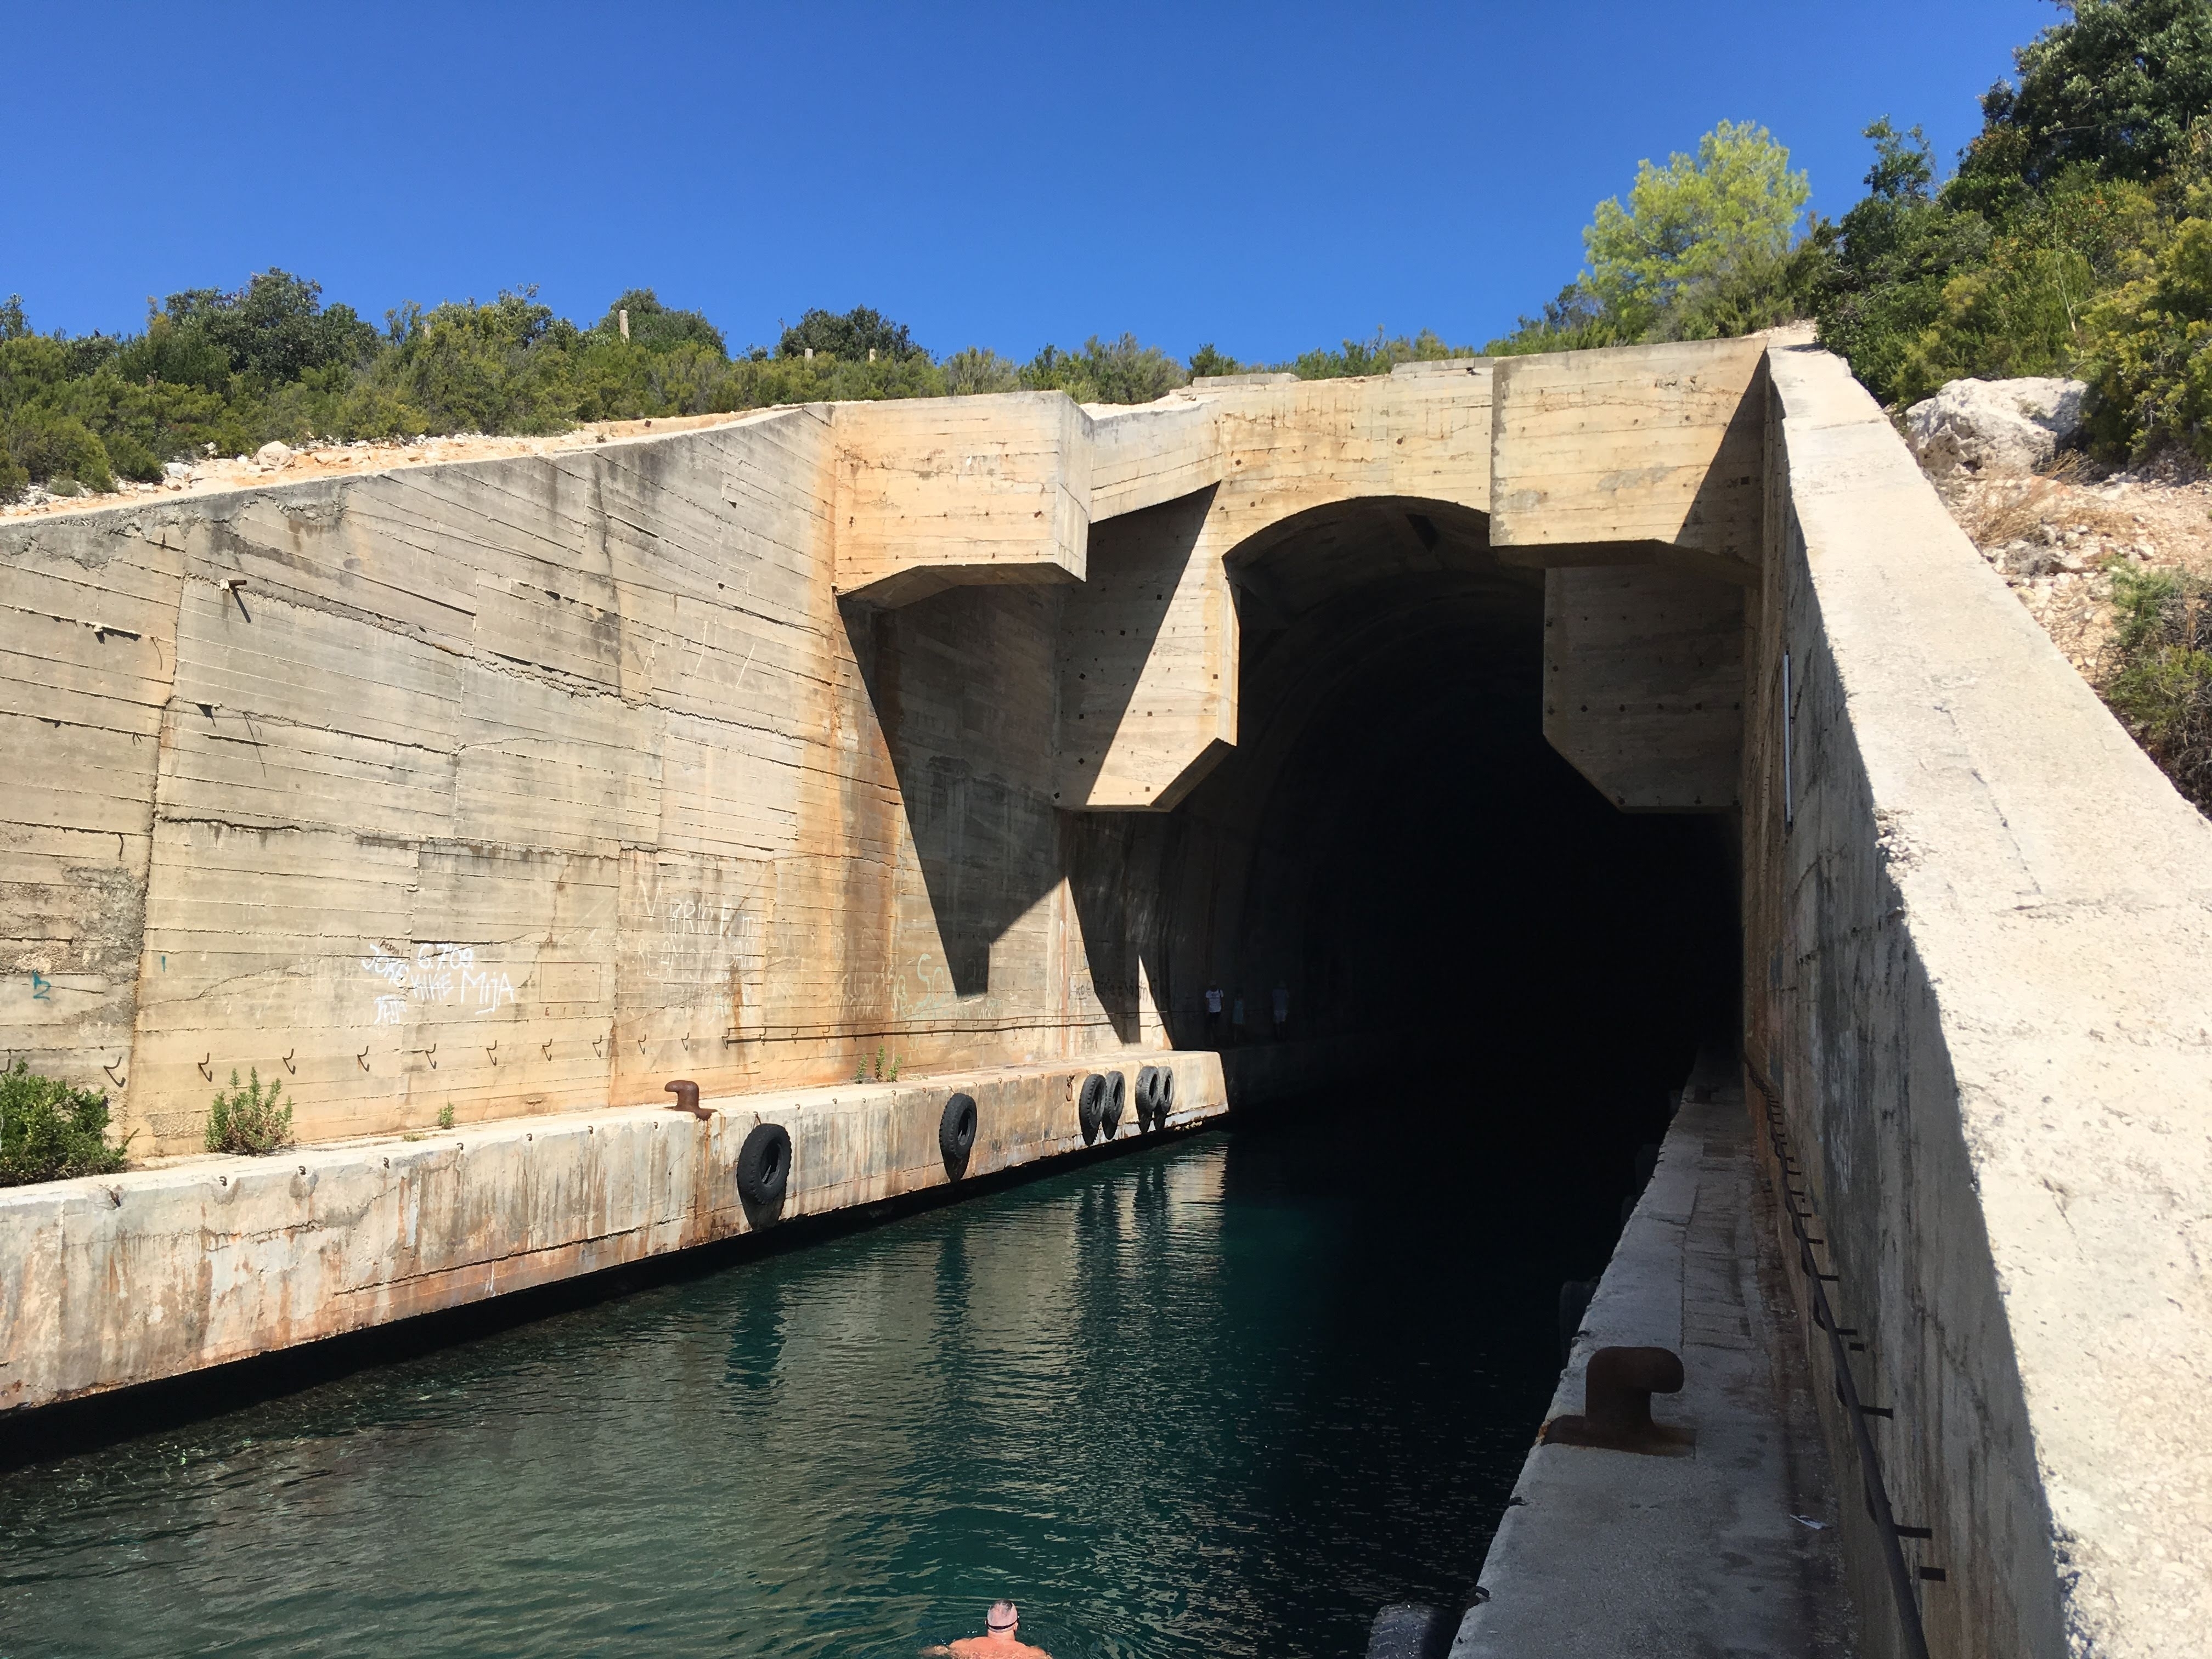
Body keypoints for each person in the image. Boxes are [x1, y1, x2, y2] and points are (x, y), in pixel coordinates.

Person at [922, 1600, 1052, 1658]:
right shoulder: (1032, 1655)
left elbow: (927, 1653)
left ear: (986, 1623)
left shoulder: (961, 1646)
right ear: (1016, 1626)